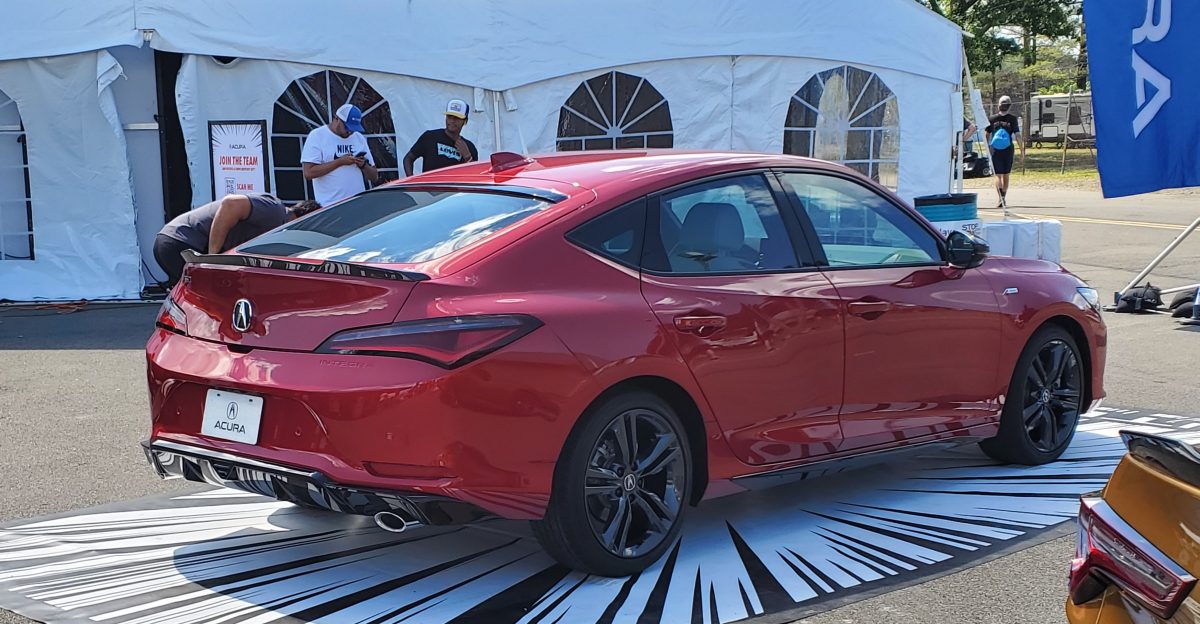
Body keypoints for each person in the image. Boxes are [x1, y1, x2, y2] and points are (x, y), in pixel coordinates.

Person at [153, 194, 321, 288]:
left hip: (177, 242)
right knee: (207, 296)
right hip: (180, 242)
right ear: (304, 217)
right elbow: (231, 204)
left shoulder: (277, 229)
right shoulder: (274, 211)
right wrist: (212, 256)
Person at [301, 103, 378, 205]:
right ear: (336, 119)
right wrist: (340, 162)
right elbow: (308, 173)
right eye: (347, 127)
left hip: (358, 202)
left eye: (353, 129)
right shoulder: (317, 136)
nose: (350, 132)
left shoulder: (359, 138)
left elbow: (375, 177)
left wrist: (363, 165)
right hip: (330, 205)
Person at [403, 99, 479, 176]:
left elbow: (476, 176)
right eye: (449, 116)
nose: (452, 120)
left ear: (465, 121)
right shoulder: (429, 137)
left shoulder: (470, 147)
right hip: (430, 187)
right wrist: (411, 181)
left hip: (455, 187)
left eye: (457, 118)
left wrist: (468, 157)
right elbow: (408, 159)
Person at [985, 95, 1025, 208]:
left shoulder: (992, 119)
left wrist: (988, 147)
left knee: (998, 175)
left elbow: (987, 134)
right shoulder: (1013, 119)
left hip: (995, 149)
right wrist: (1022, 150)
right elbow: (1017, 135)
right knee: (1006, 175)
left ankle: (1000, 199)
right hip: (1008, 149)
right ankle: (1003, 198)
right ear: (1009, 106)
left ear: (999, 105)